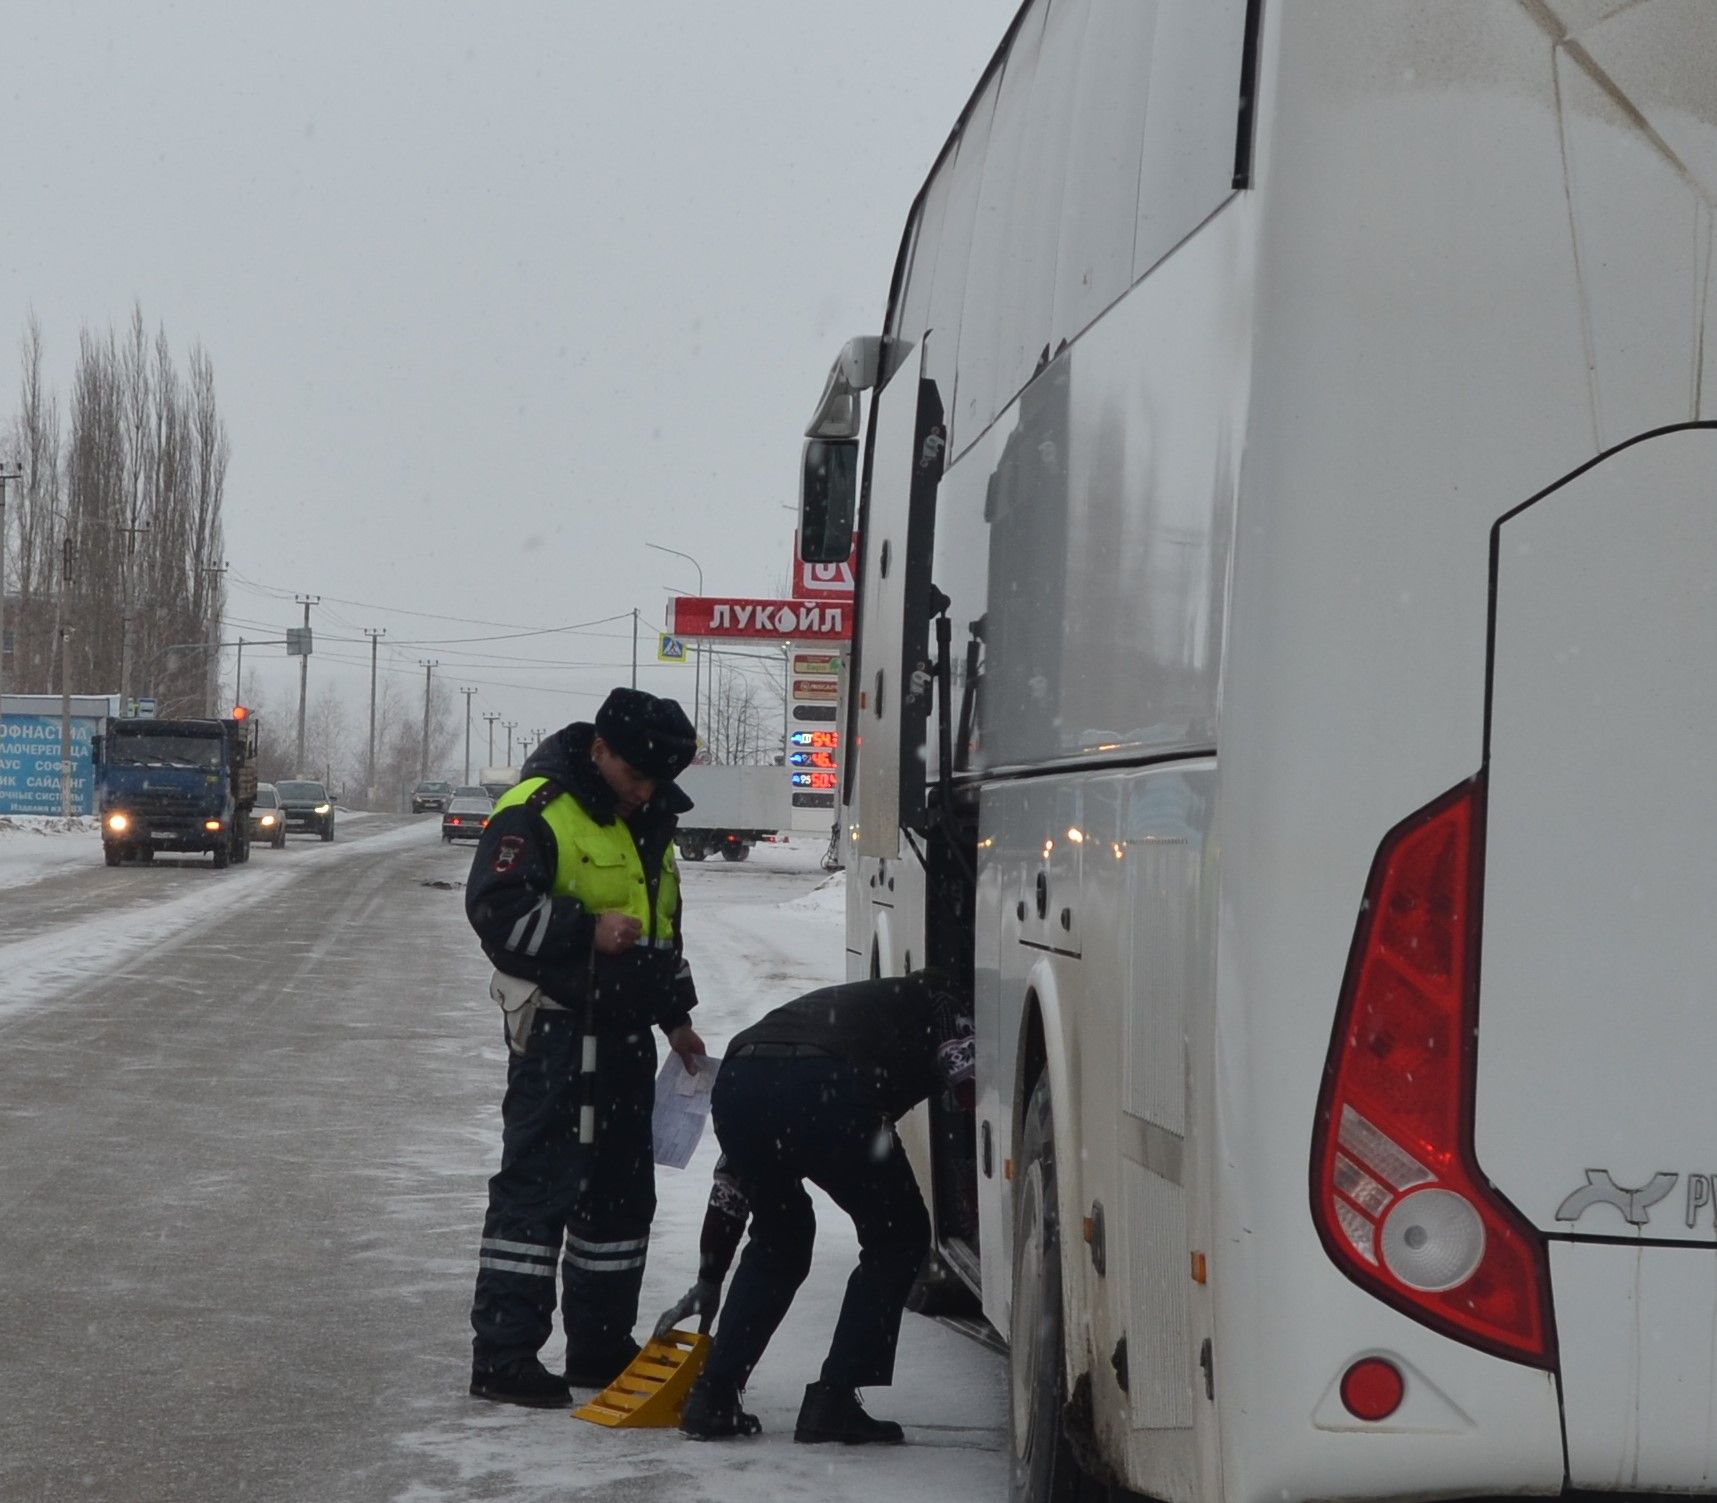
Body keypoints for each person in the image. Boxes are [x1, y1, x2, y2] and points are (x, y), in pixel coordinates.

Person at [463, 687, 704, 1407]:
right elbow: (494, 909)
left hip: (627, 1036)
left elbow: (660, 931)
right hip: (559, 1033)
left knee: (620, 1197)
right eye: (635, 776)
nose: (645, 791)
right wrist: (583, 928)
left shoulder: (649, 818)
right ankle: (503, 1355)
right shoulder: (536, 810)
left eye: (656, 780)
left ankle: (598, 1345)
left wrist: (677, 1017)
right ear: (599, 749)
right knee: (539, 1188)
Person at [671, 971, 974, 1444]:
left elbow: (733, 1175)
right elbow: (971, 1090)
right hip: (827, 1085)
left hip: (741, 1077)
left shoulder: (850, 1007)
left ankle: (713, 1395)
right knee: (898, 1235)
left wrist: (710, 1276)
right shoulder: (946, 1005)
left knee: (779, 1238)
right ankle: (833, 1399)